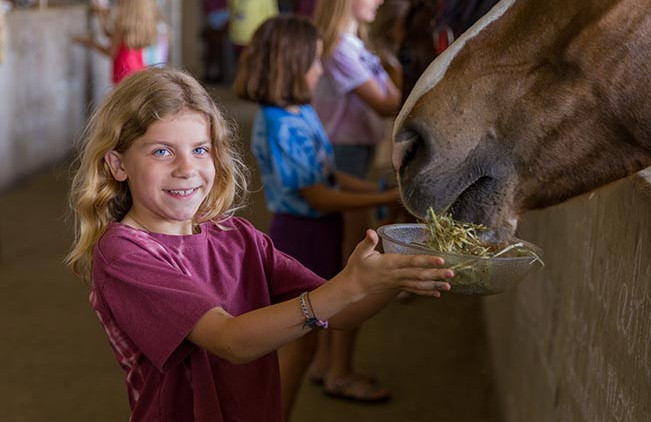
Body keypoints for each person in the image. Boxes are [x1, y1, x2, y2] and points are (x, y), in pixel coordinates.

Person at [65, 67, 452, 422]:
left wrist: (394, 273)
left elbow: (341, 314)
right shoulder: (123, 254)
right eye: (161, 151)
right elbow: (230, 341)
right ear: (117, 165)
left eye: (200, 149)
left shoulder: (237, 237)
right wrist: (347, 286)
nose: (186, 168)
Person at [233, 14, 405, 415]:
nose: (318, 70)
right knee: (300, 342)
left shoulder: (302, 112)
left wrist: (384, 192)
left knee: (310, 335)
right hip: (301, 235)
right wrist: (379, 201)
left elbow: (329, 174)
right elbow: (319, 197)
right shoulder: (279, 125)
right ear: (291, 66)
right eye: (313, 62)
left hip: (320, 232)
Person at [310, 0, 403, 403]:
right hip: (344, 150)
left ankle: (325, 362)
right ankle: (339, 371)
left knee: (345, 258)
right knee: (355, 264)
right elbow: (388, 102)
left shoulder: (355, 44)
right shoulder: (341, 49)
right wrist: (396, 70)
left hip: (355, 150)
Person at [72, 0, 160, 84]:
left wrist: (91, 43)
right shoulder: (138, 25)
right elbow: (110, 35)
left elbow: (111, 52)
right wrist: (102, 14)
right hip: (138, 70)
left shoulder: (122, 25)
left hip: (124, 72)